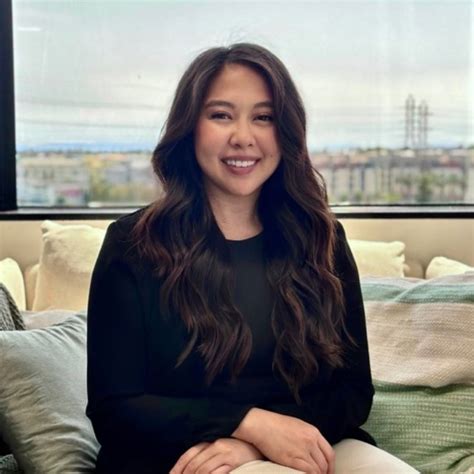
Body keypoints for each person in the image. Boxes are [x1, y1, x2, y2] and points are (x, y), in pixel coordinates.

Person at [86, 43, 419, 474]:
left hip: (307, 444)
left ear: (286, 132)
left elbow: (353, 392)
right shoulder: (132, 245)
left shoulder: (322, 238)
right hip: (182, 456)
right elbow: (115, 409)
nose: (243, 137)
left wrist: (261, 444)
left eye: (264, 117)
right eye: (221, 115)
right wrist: (249, 425)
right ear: (190, 128)